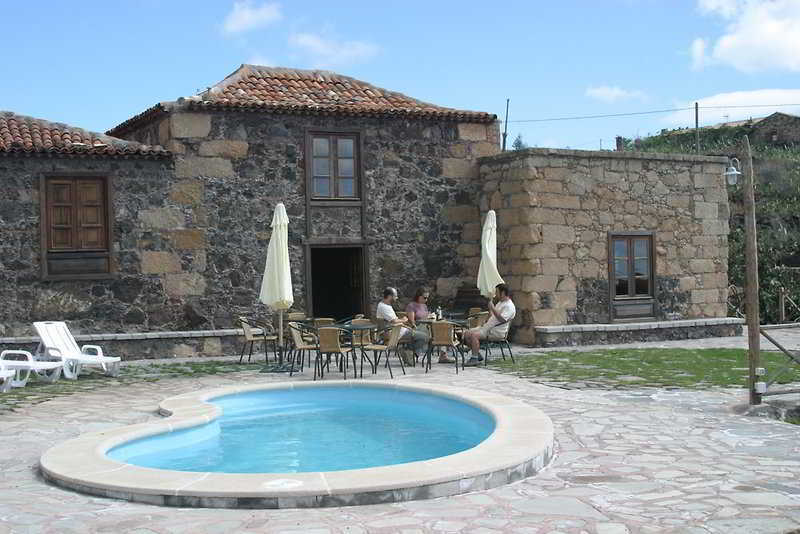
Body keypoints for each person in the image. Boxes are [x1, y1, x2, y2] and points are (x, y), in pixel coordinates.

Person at [462, 283, 516, 366]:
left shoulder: (509, 306)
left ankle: (474, 358)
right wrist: (490, 308)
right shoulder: (500, 303)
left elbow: (502, 319)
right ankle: (476, 354)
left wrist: (493, 308)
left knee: (474, 335)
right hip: (487, 328)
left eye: (497, 292)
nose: (495, 294)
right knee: (466, 333)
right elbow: (493, 316)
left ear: (503, 293)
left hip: (496, 331)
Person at [376, 287, 430, 365]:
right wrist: (404, 319)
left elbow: (393, 320)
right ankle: (408, 352)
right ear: (390, 296)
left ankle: (409, 353)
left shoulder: (384, 305)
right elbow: (394, 321)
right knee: (424, 336)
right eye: (395, 296)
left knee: (421, 334)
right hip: (394, 332)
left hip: (397, 330)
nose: (396, 298)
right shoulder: (384, 307)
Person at [406, 288, 454, 364]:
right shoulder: (411, 306)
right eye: (425, 298)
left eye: (427, 298)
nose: (426, 300)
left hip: (427, 326)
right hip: (418, 327)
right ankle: (414, 354)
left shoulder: (424, 306)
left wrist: (431, 316)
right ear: (419, 296)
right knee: (437, 332)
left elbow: (426, 316)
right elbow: (412, 321)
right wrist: (426, 318)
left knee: (442, 330)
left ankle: (443, 354)